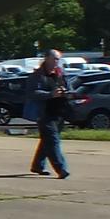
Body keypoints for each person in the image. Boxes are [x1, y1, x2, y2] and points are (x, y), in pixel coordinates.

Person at [27, 49, 71, 179]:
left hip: (59, 112)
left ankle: (37, 166)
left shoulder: (60, 73)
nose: (56, 62)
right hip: (44, 113)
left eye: (58, 59)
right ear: (46, 59)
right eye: (54, 59)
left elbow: (68, 87)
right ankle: (61, 169)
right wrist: (51, 94)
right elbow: (32, 93)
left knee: (47, 141)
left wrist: (67, 92)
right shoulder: (37, 75)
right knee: (53, 141)